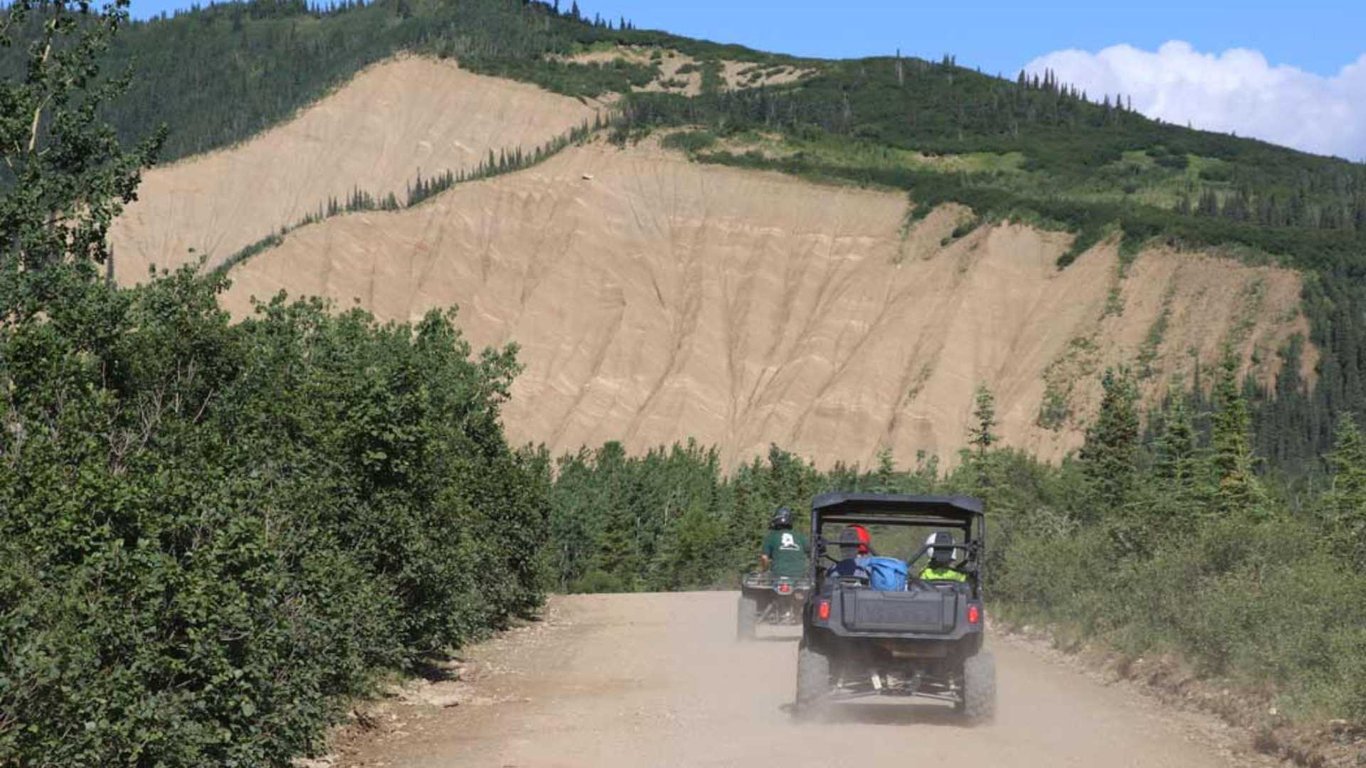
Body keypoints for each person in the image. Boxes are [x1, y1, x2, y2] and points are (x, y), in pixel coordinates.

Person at [760, 507, 809, 579]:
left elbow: (764, 558)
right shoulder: (800, 537)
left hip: (777, 574)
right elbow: (812, 553)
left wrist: (764, 571)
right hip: (799, 575)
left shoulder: (771, 537)